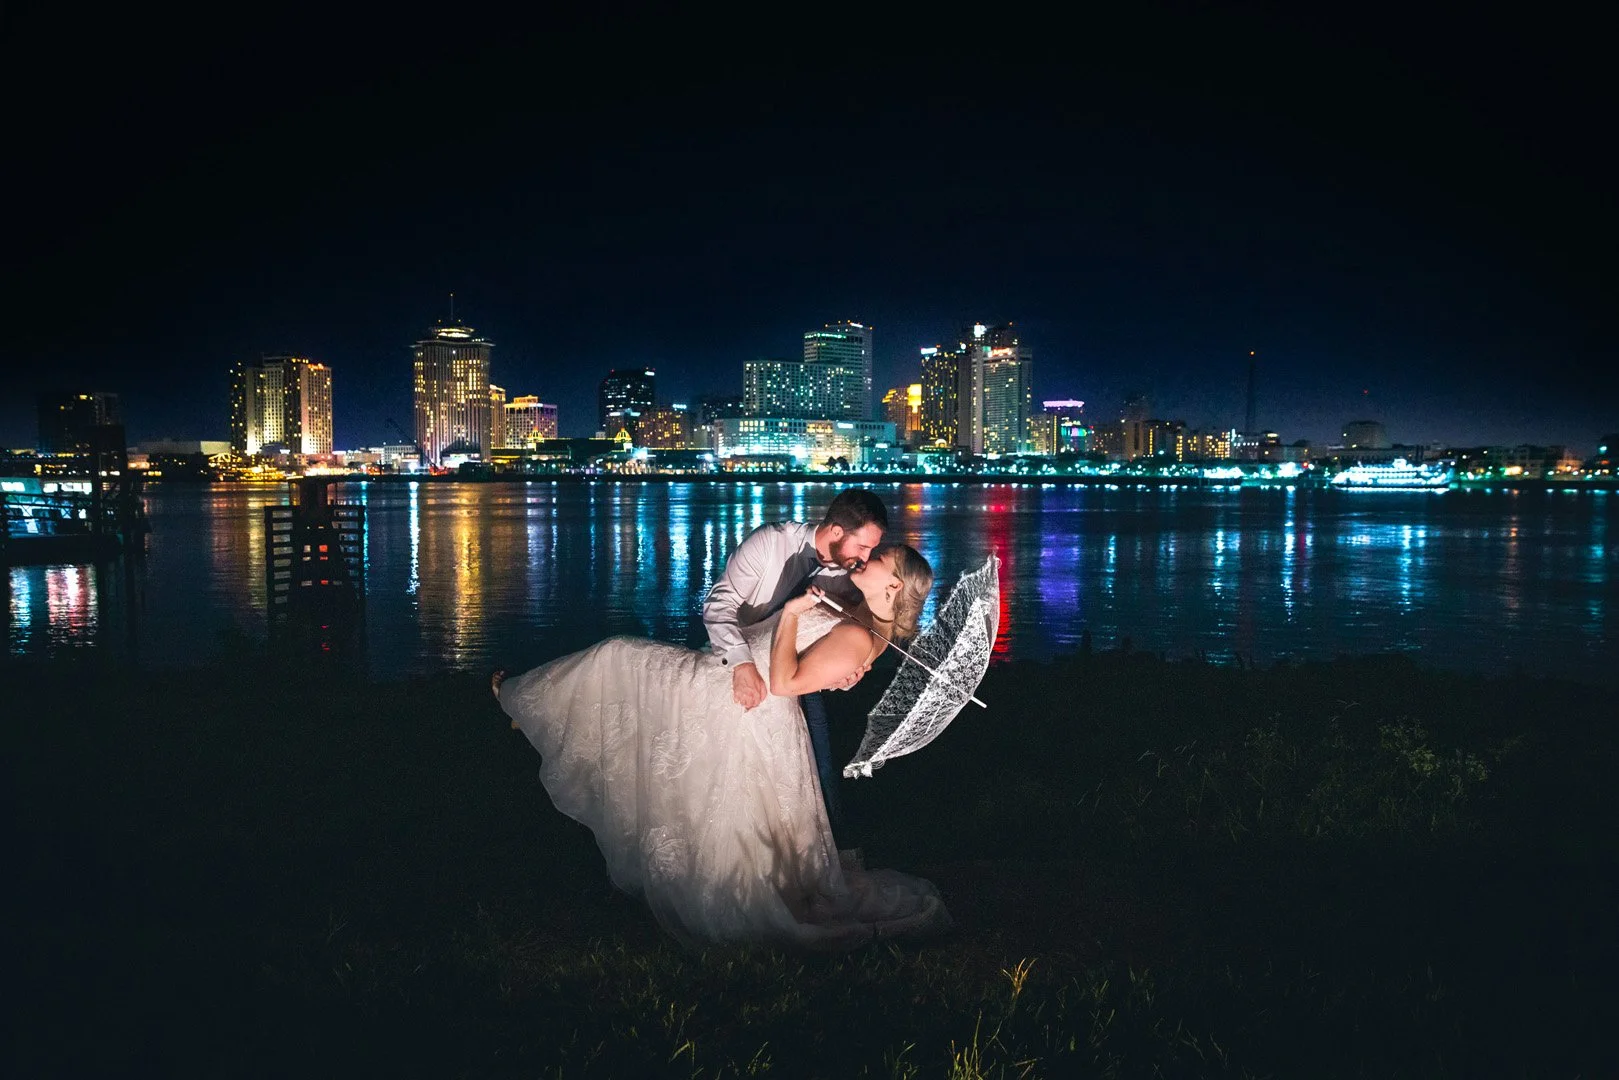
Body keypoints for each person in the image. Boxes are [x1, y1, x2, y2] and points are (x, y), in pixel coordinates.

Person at [493, 544, 951, 949]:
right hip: (735, 685)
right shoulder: (861, 617)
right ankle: (535, 708)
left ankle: (523, 700)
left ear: (893, 584)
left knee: (618, 656)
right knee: (636, 697)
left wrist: (792, 614)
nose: (866, 560)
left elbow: (787, 681)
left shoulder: (858, 636)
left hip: (738, 698)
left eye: (878, 559)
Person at [702, 488, 887, 852]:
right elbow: (717, 605)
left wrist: (843, 678)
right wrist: (741, 663)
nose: (866, 558)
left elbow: (830, 641)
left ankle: (826, 852)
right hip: (742, 663)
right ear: (836, 531)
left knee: (815, 764)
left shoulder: (847, 575)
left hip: (792, 674)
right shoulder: (769, 543)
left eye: (872, 551)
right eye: (863, 547)